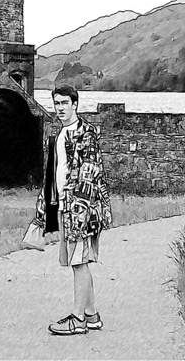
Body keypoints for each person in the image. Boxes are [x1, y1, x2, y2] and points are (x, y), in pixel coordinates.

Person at [35, 83, 112, 336]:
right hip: (65, 206)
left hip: (81, 208)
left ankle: (78, 319)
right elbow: (54, 175)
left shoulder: (85, 133)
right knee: (79, 261)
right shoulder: (59, 135)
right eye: (56, 103)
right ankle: (91, 315)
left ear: (75, 104)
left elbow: (90, 173)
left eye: (64, 103)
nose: (59, 108)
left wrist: (79, 211)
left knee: (78, 262)